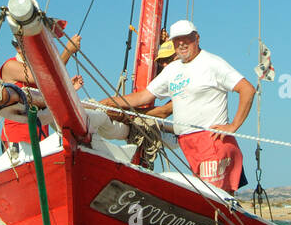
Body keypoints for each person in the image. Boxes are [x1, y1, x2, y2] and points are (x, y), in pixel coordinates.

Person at [103, 20, 255, 192]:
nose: (181, 43)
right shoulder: (172, 69)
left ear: (196, 38)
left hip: (212, 142)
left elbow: (247, 89)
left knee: (215, 200)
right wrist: (109, 102)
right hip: (188, 144)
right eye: (177, 40)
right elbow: (144, 96)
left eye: (186, 38)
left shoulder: (212, 63)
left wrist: (233, 125)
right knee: (208, 199)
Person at [0, 34, 82, 149]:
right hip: (17, 139)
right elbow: (44, 77)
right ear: (18, 48)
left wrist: (69, 88)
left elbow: (48, 88)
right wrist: (68, 51)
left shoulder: (36, 68)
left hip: (41, 139)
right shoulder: (9, 66)